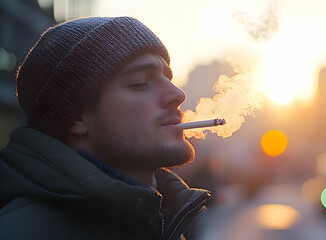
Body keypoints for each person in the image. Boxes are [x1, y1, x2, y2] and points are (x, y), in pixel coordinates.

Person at [0, 16, 211, 240]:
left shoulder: (165, 218)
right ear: (76, 116)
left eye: (168, 78)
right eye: (139, 82)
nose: (178, 95)